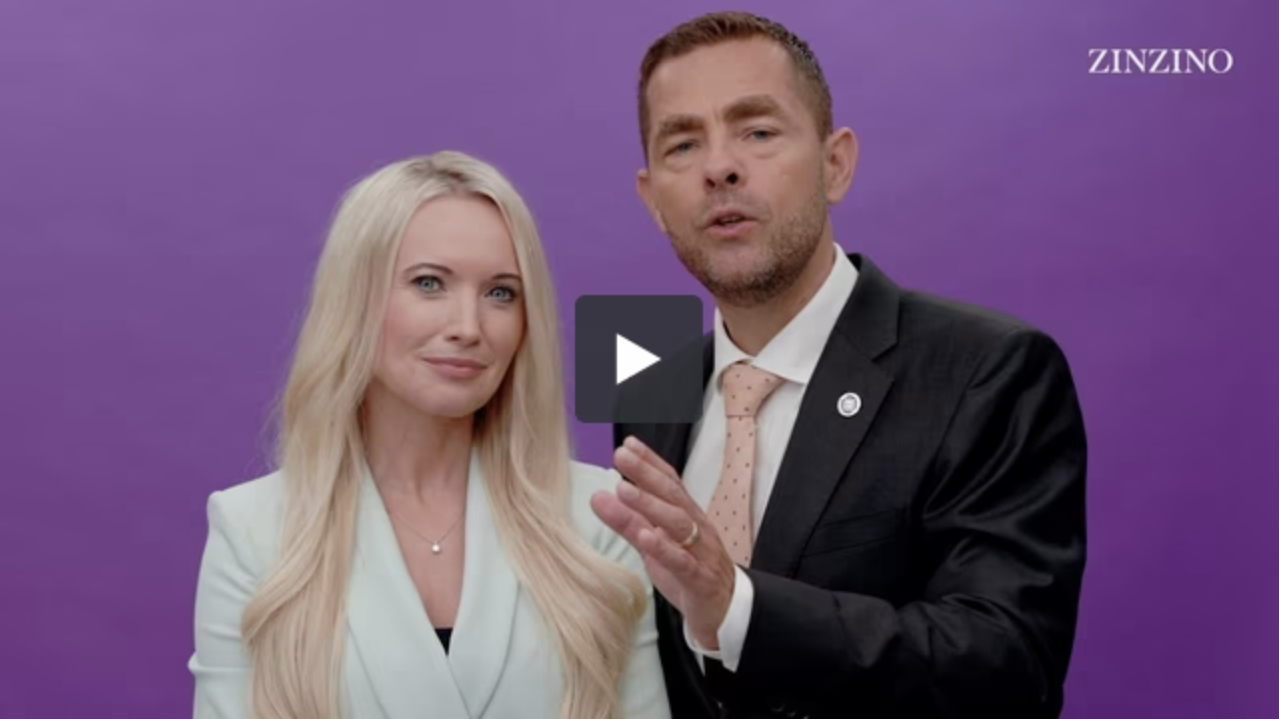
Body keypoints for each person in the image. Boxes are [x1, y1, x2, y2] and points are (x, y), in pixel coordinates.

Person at [590, 11, 1088, 718]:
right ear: (652, 200)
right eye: (683, 144)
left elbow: (1008, 668)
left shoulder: (988, 371)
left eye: (758, 132)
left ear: (836, 165)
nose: (718, 167)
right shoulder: (646, 393)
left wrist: (738, 607)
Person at [188, 151, 671, 719]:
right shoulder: (251, 530)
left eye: (500, 293)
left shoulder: (600, 518)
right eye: (429, 283)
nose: (468, 327)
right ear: (356, 300)